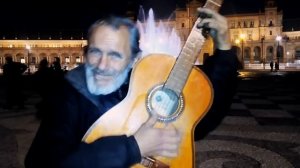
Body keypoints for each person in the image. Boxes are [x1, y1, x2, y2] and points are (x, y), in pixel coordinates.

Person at [25, 7, 238, 168]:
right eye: (95, 52)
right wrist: (133, 148)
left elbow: (201, 120)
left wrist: (225, 49)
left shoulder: (145, 89)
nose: (102, 65)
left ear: (133, 60)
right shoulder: (70, 97)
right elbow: (41, 163)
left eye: (115, 55)